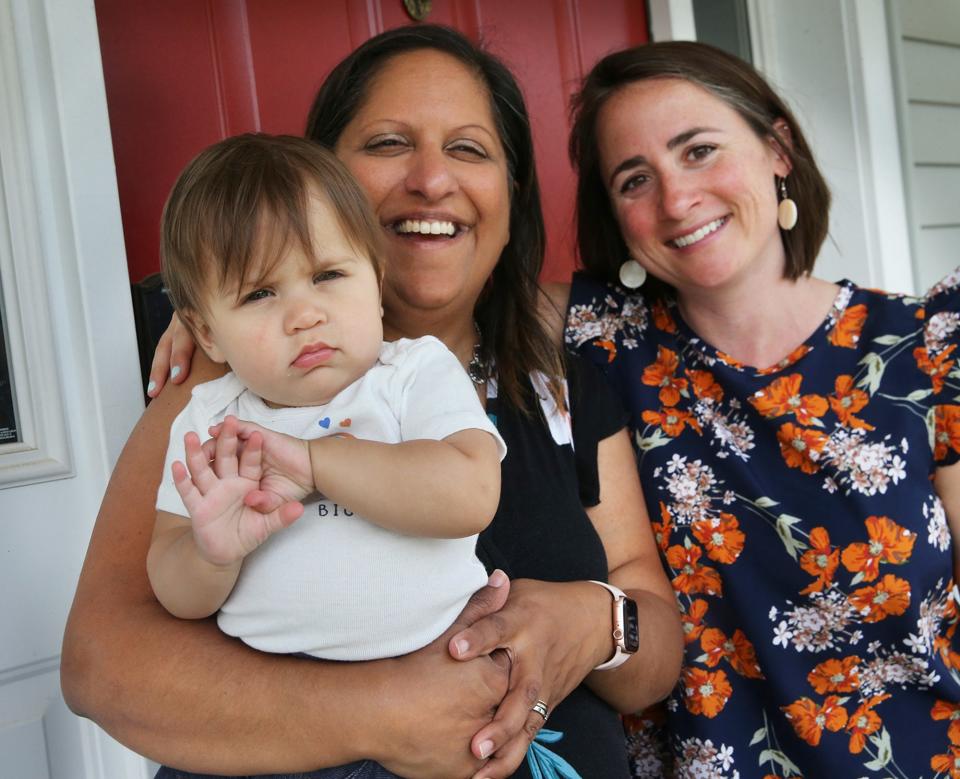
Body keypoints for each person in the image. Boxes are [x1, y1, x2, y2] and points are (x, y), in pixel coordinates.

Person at [61, 25, 682, 779]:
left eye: (469, 149)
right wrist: (385, 710)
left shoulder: (560, 384)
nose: (430, 179)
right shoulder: (221, 395)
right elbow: (101, 664)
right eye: (389, 143)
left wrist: (594, 620)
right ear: (323, 176)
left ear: (511, 193)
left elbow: (655, 645)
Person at [556, 40, 960, 778]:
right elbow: (441, 282)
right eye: (634, 179)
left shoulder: (925, 347)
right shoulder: (600, 346)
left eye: (700, 150)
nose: (676, 200)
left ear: (778, 150)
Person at [152, 132, 505, 685]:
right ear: (206, 333)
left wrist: (314, 464)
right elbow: (172, 588)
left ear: (377, 281)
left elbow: (471, 495)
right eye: (259, 295)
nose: (304, 315)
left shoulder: (412, 374)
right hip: (273, 709)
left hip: (435, 676)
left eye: (328, 276)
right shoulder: (210, 419)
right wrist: (210, 557)